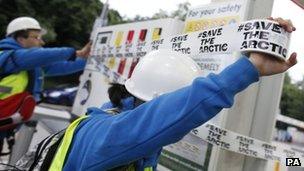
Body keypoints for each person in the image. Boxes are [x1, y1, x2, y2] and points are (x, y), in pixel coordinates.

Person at [17, 18, 297, 171]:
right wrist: (250, 67)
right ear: (157, 106)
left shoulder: (113, 125)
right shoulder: (108, 135)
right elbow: (176, 113)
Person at [0, 16, 91, 101]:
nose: (42, 42)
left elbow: (63, 66)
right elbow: (36, 56)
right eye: (37, 37)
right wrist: (76, 53)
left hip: (11, 113)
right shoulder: (7, 56)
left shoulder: (31, 63)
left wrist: (89, 60)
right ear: (21, 39)